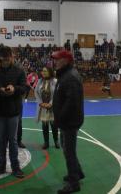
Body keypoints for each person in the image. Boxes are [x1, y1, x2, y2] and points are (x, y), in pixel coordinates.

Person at [0, 46, 26, 179]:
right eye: (3, 59)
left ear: (12, 56)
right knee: (0, 141)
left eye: (8, 59)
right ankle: (1, 166)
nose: (6, 61)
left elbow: (24, 88)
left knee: (13, 140)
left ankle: (16, 167)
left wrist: (14, 88)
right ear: (0, 58)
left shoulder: (19, 71)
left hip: (13, 112)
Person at [52, 50, 85, 194]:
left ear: (65, 60)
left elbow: (72, 102)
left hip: (69, 122)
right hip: (67, 120)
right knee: (67, 149)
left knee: (69, 152)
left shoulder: (70, 77)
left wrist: (59, 118)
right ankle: (78, 173)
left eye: (57, 59)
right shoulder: (66, 74)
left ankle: (74, 183)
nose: (54, 61)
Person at [34, 67, 59, 149]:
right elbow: (36, 92)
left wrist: (51, 103)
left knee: (54, 125)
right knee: (44, 125)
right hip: (43, 107)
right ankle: (46, 142)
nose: (43, 72)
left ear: (50, 72)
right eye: (42, 71)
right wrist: (41, 103)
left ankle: (56, 141)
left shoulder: (55, 81)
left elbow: (57, 93)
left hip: (53, 107)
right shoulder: (40, 81)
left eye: (45, 71)